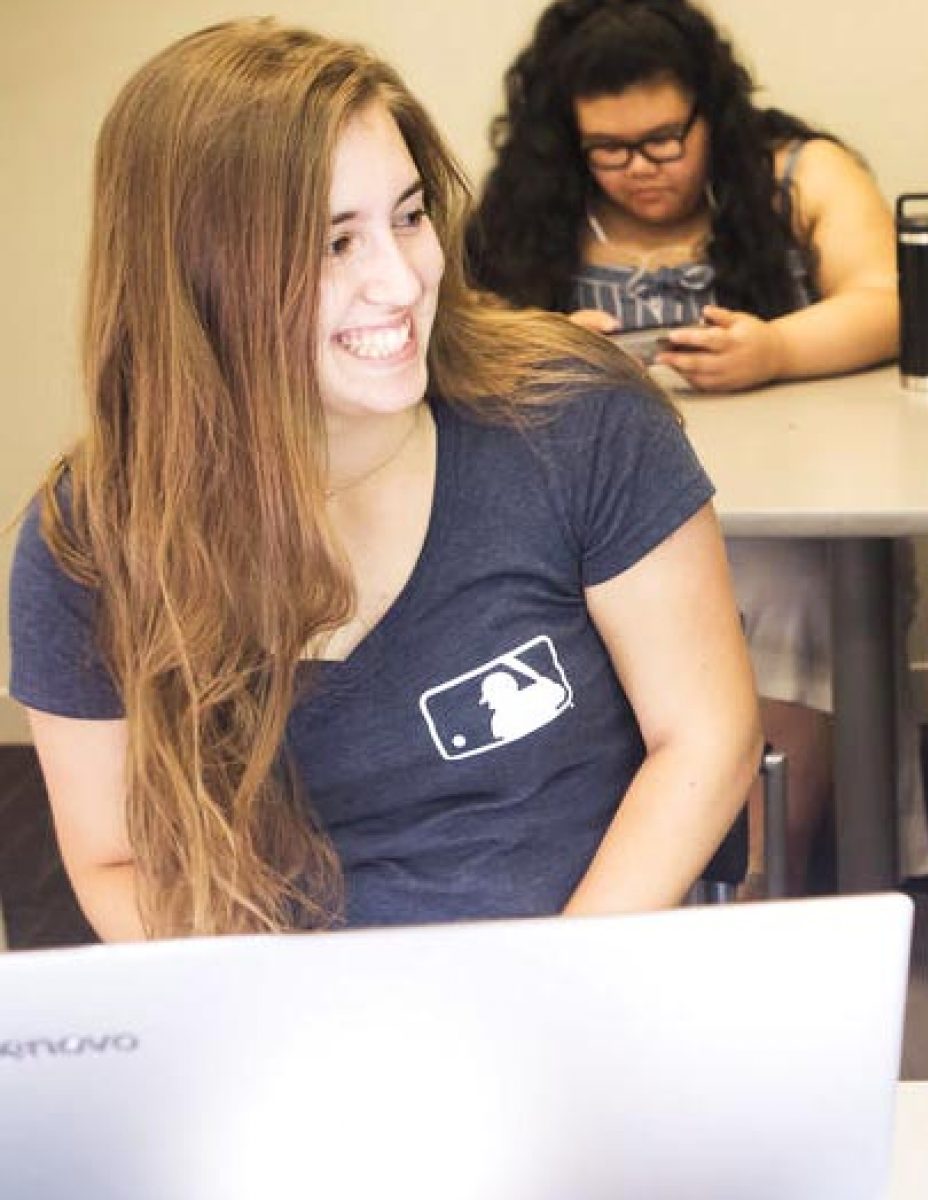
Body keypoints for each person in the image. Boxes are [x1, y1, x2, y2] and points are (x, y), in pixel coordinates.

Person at [6, 19, 762, 939]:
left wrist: (556, 992)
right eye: (335, 244)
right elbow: (113, 857)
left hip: (572, 986)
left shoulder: (574, 417)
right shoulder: (90, 540)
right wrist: (279, 1027)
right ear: (196, 280)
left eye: (408, 218)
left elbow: (707, 739)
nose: (403, 282)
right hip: (284, 1029)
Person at [470, 0, 921, 889]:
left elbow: (890, 299)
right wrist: (551, 347)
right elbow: (462, 333)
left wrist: (779, 348)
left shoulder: (797, 170)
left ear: (710, 109)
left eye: (666, 140)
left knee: (793, 589)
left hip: (796, 505)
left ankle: (753, 879)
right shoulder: (532, 206)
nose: (641, 170)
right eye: (609, 149)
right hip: (602, 510)